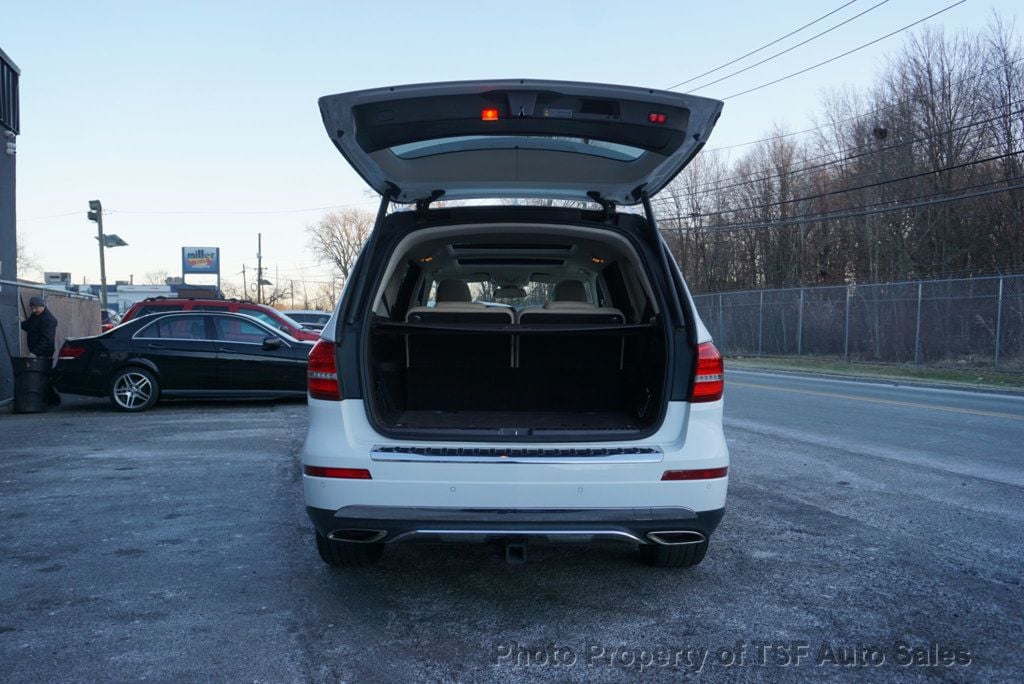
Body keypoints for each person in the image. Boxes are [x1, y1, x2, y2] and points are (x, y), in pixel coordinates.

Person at [20, 296, 61, 406]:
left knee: (43, 376)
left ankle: (52, 399)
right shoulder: (36, 316)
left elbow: (47, 340)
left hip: (44, 352)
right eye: (32, 308)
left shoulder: (49, 320)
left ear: (42, 306)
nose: (33, 310)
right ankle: (49, 399)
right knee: (41, 376)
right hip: (37, 351)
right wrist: (22, 323)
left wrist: (35, 353)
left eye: (36, 308)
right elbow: (30, 327)